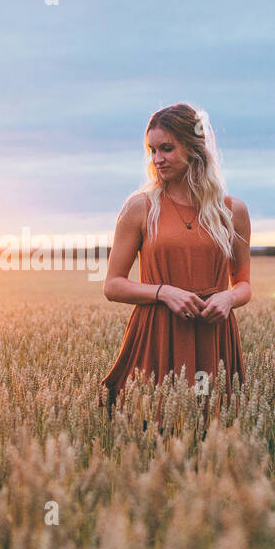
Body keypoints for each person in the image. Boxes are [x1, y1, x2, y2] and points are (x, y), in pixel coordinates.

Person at [100, 102, 250, 422]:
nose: (156, 159)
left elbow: (244, 285)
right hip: (158, 333)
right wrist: (164, 292)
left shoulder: (232, 211)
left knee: (213, 427)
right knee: (153, 426)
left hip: (213, 334)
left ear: (194, 148)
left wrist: (228, 297)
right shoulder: (140, 207)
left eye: (166, 148)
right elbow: (112, 286)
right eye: (152, 150)